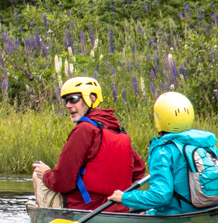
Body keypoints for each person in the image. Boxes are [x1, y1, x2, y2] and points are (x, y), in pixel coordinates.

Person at [32, 76, 145, 211]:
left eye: (73, 99)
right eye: (66, 101)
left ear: (92, 98)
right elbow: (138, 170)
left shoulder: (84, 130)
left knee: (37, 175)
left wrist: (45, 174)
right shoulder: (115, 129)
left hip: (84, 209)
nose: (68, 105)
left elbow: (62, 183)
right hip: (117, 208)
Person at [109, 92, 218, 214]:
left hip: (178, 216)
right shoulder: (207, 144)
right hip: (212, 212)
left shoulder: (163, 150)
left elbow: (160, 197)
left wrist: (124, 198)